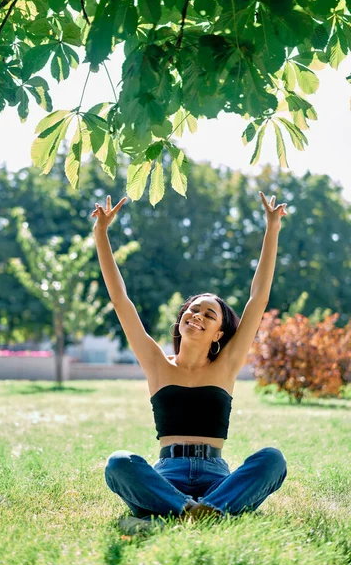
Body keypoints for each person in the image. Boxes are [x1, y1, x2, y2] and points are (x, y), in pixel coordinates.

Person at [92, 191, 288, 534]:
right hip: (165, 477)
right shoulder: (157, 363)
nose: (196, 315)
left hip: (216, 477)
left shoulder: (225, 366)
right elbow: (120, 299)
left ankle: (190, 512)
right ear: (182, 319)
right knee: (119, 463)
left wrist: (272, 228)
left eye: (208, 314)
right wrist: (101, 234)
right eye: (192, 309)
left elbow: (259, 298)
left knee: (272, 460)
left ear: (218, 333)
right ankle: (195, 512)